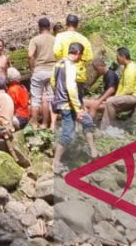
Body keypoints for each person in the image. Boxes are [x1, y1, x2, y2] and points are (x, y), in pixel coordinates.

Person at [51, 42, 97, 174]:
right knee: (67, 134)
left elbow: (53, 82)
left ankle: (93, 151)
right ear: (78, 53)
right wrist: (78, 109)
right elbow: (71, 88)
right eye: (80, 56)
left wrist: (58, 95)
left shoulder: (58, 63)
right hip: (68, 104)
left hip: (62, 101)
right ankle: (56, 163)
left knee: (87, 121)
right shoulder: (70, 66)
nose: (80, 59)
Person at [101, 47, 136, 130]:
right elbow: (122, 86)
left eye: (117, 56)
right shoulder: (129, 66)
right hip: (132, 94)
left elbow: (128, 89)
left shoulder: (131, 69)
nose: (116, 59)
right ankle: (104, 127)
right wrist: (116, 96)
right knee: (109, 101)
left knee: (110, 102)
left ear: (123, 56)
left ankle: (110, 127)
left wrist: (115, 97)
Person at [27, 17, 57, 130]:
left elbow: (30, 55)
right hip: (52, 71)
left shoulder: (35, 40)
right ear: (49, 27)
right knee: (50, 98)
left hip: (39, 71)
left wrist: (32, 69)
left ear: (39, 27)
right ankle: (48, 124)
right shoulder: (55, 39)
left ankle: (34, 123)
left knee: (36, 99)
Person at [53, 14, 93, 86]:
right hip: (79, 75)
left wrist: (62, 60)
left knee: (63, 97)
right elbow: (89, 57)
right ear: (77, 25)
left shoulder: (60, 37)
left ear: (66, 24)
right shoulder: (84, 39)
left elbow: (56, 52)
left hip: (64, 73)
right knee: (77, 97)